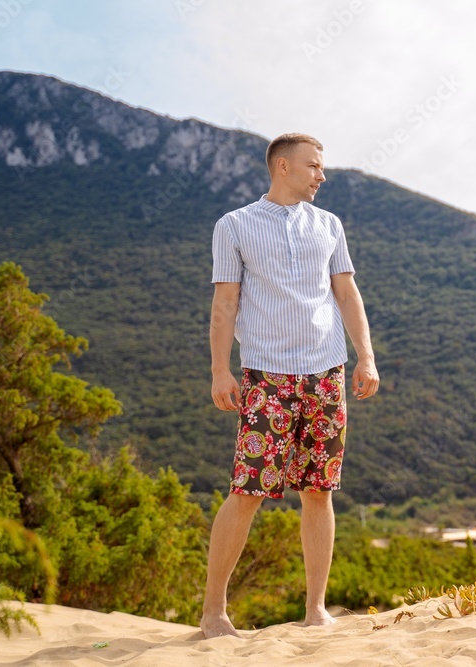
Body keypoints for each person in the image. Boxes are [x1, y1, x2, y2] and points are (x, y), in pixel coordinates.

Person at [200, 133, 379, 639]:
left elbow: (347, 293)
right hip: (267, 376)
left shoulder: (329, 225)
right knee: (247, 491)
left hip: (327, 373)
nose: (322, 175)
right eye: (313, 166)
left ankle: (315, 609)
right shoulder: (234, 225)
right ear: (282, 166)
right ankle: (213, 611)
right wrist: (219, 370)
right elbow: (225, 303)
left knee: (319, 492)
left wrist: (365, 356)